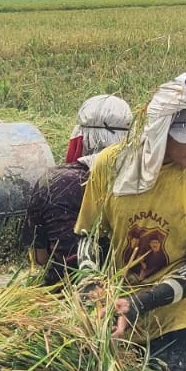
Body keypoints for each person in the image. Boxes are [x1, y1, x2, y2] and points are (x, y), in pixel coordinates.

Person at [75, 78, 186, 371]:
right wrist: (94, 290)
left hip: (178, 325)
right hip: (114, 322)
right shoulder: (112, 165)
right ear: (161, 130)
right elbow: (90, 237)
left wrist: (139, 304)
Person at [23, 94, 131, 284]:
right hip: (128, 291)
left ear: (80, 136)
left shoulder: (53, 182)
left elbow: (40, 258)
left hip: (63, 294)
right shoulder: (141, 179)